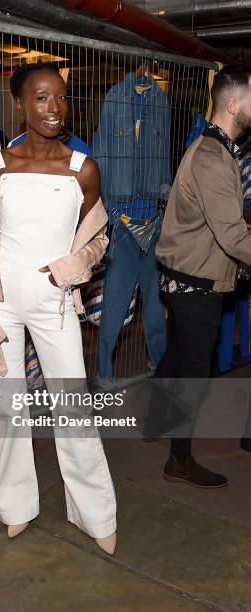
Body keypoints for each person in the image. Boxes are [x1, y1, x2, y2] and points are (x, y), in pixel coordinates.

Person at [0, 62, 117, 553]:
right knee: (7, 410)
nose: (54, 108)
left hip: (56, 306)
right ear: (21, 104)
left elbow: (96, 238)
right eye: (42, 98)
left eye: (62, 98)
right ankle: (16, 507)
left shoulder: (81, 168)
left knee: (73, 408)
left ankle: (97, 515)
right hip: (5, 306)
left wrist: (76, 264)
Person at [153, 64, 251, 487]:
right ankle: (179, 459)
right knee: (194, 371)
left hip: (183, 276)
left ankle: (154, 419)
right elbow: (232, 236)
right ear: (233, 103)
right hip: (196, 284)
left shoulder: (217, 148)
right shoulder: (213, 157)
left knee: (176, 356)